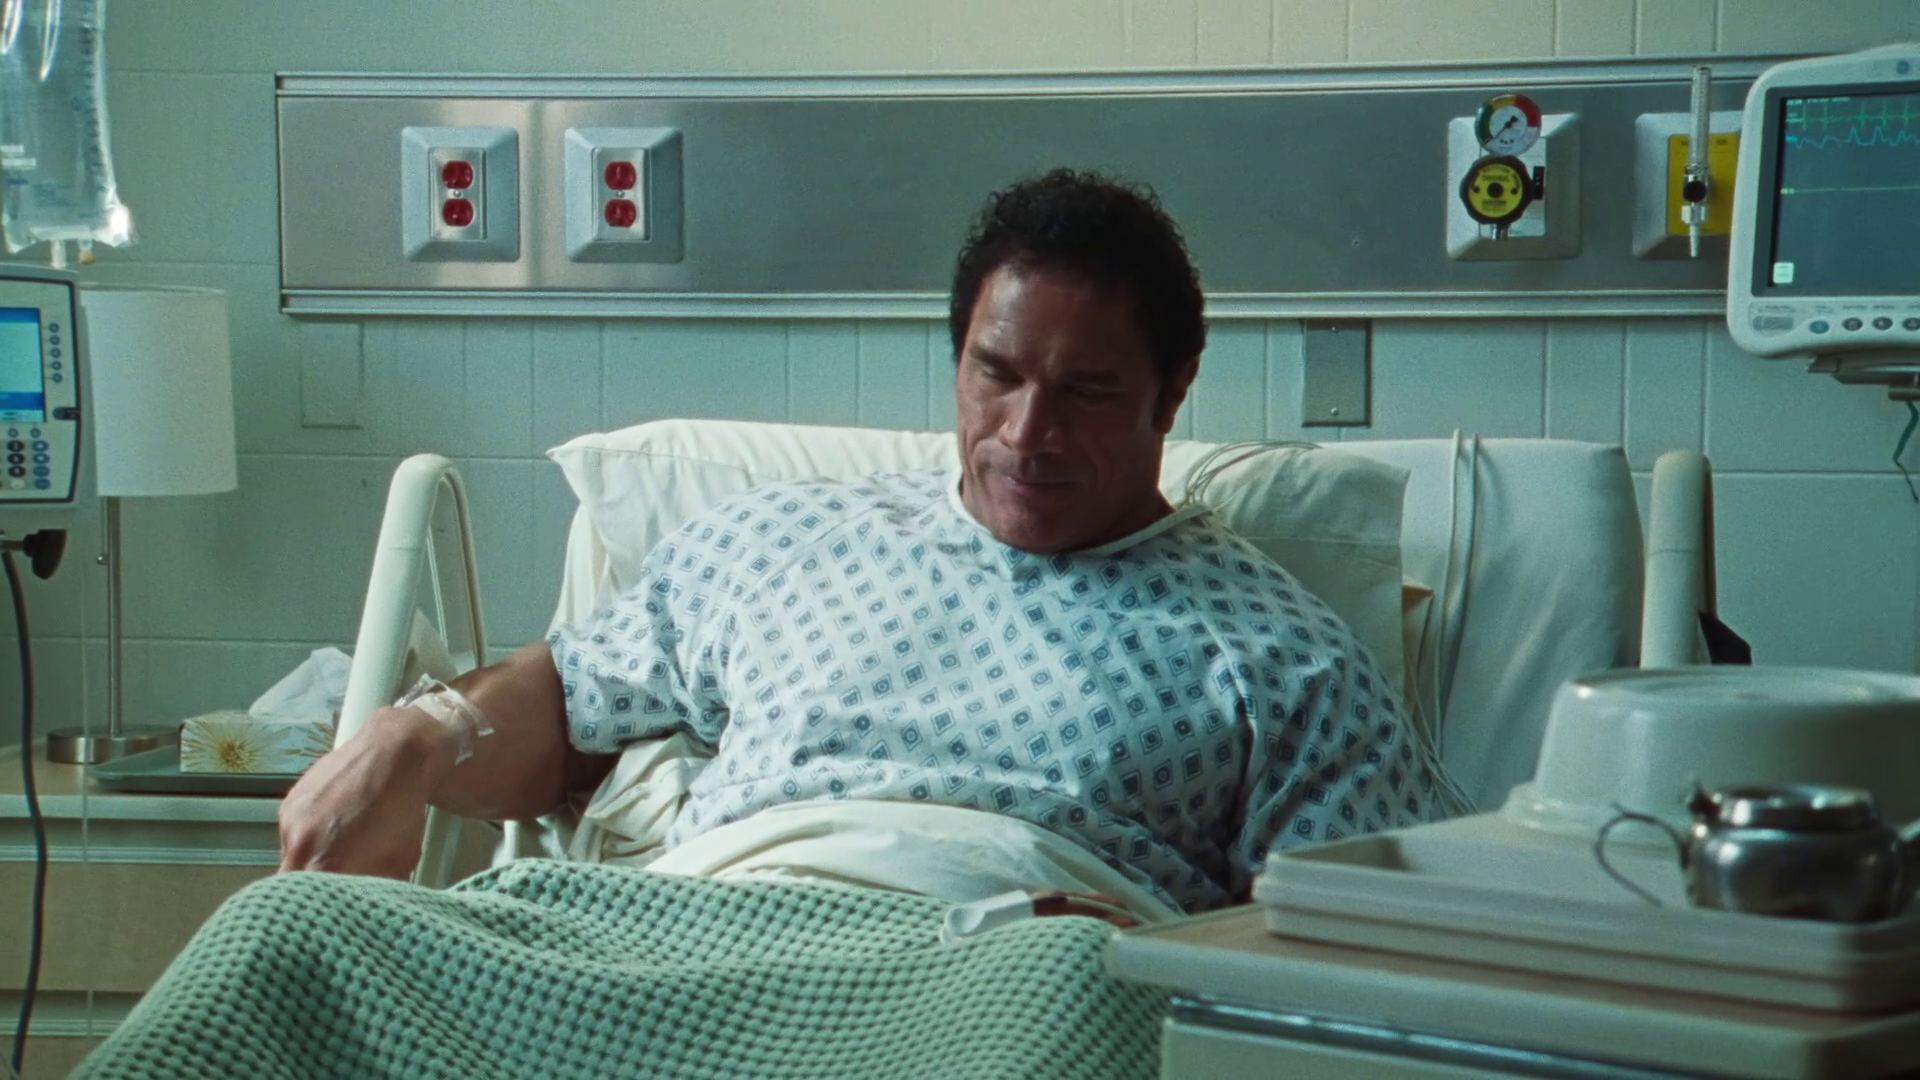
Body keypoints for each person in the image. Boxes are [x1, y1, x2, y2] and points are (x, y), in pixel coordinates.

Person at [278, 168, 1440, 919]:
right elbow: (572, 698)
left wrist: (1151, 946)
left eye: (1087, 391)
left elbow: (1362, 951)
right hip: (697, 934)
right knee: (280, 947)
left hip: (1025, 976)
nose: (1026, 433)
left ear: (1171, 391)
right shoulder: (786, 541)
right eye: (996, 374)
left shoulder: (1278, 653)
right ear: (957, 359)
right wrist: (415, 736)